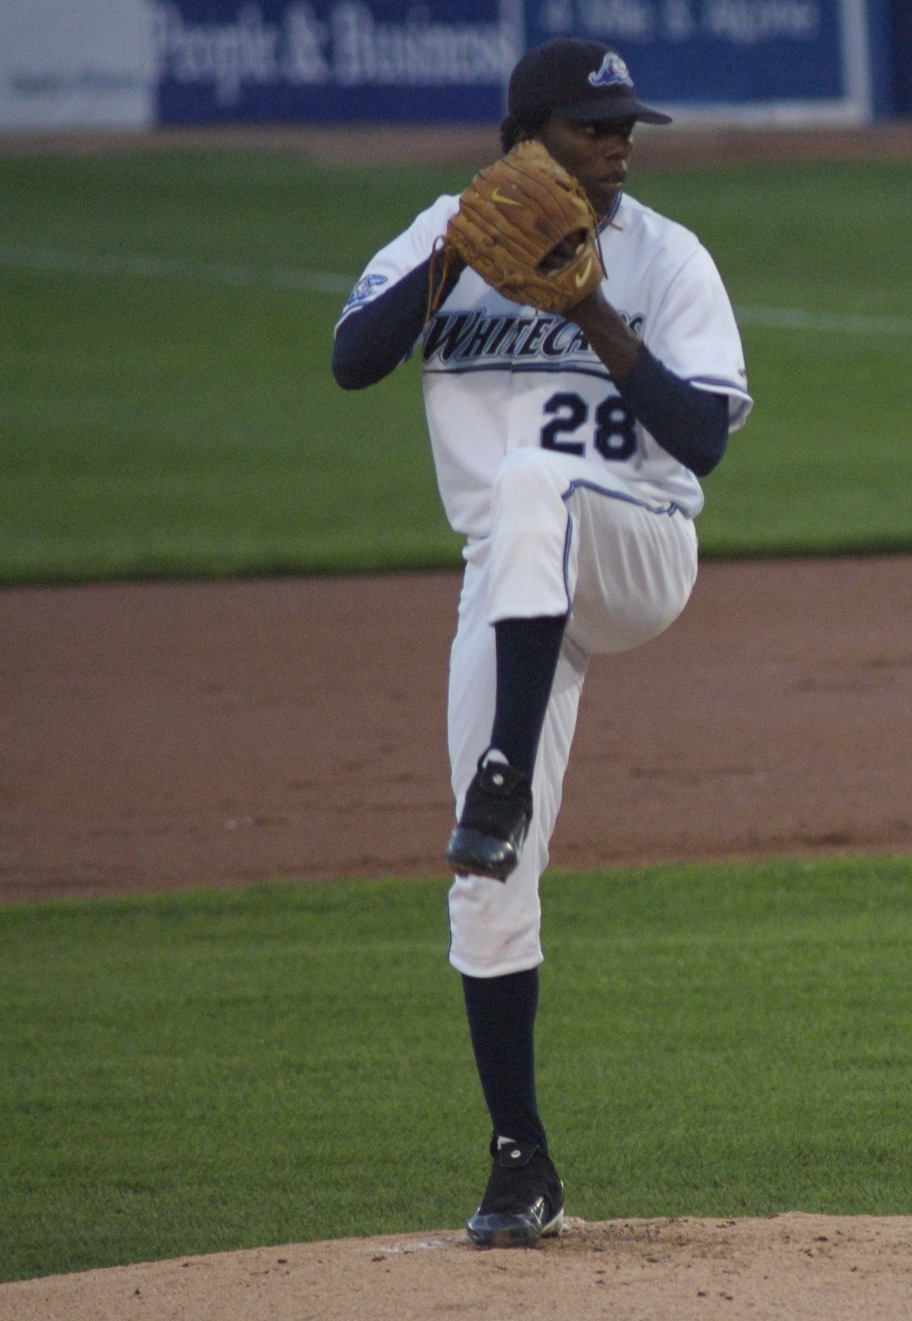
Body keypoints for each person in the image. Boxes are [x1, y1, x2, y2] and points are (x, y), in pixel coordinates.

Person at [332, 36, 751, 1247]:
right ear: (526, 139)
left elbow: (703, 438)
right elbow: (351, 361)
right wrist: (460, 247)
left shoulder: (666, 258)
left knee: (533, 484)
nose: (618, 147)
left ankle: (500, 778)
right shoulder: (441, 233)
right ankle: (521, 1161)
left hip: (635, 547)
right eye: (592, 128)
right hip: (513, 589)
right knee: (483, 883)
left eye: (626, 128)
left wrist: (592, 310)